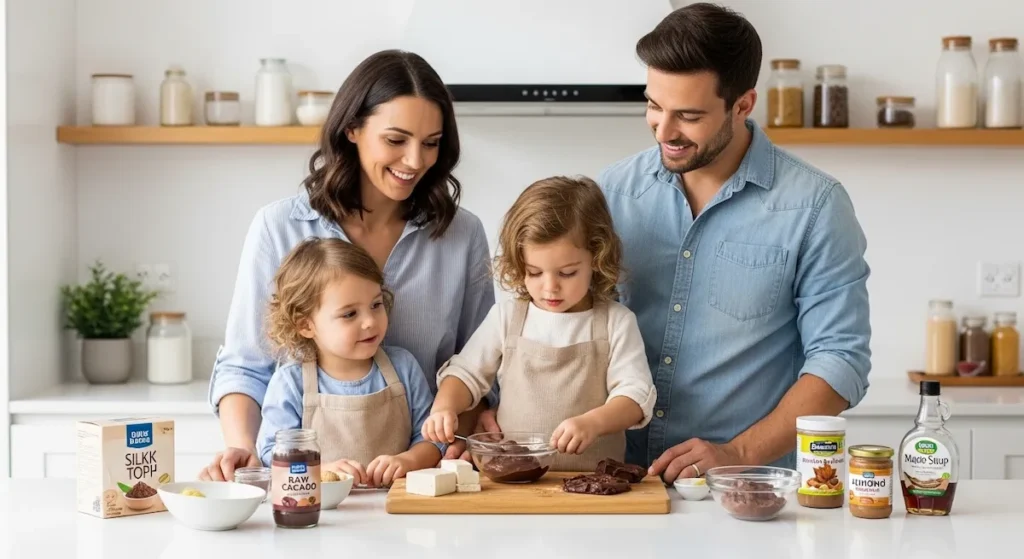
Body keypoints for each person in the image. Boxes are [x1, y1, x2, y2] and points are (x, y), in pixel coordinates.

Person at [594, 2, 872, 482]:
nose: (664, 130)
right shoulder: (612, 194)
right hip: (615, 481)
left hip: (744, 491)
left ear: (743, 104)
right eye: (653, 105)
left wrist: (738, 452)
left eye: (688, 115)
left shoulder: (815, 205)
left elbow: (841, 359)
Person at [201, 49, 494, 481]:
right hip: (305, 488)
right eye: (396, 140)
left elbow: (482, 363)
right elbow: (246, 365)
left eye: (430, 143)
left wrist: (455, 442)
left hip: (424, 482)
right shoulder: (278, 226)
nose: (415, 161)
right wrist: (243, 449)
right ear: (352, 128)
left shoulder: (461, 234)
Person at [422, 176, 657, 471]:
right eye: (534, 272)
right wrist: (445, 407)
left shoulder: (616, 322)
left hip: (594, 484)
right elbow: (466, 373)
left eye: (567, 273)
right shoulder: (508, 317)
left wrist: (593, 423)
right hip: (512, 481)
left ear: (597, 257)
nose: (550, 288)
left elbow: (635, 398)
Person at [256, 238, 441, 487]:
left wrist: (408, 460)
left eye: (376, 305)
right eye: (350, 314)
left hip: (396, 509)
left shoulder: (403, 367)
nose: (370, 322)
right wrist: (319, 471)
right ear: (306, 325)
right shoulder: (291, 382)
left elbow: (433, 439)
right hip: (322, 513)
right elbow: (271, 454)